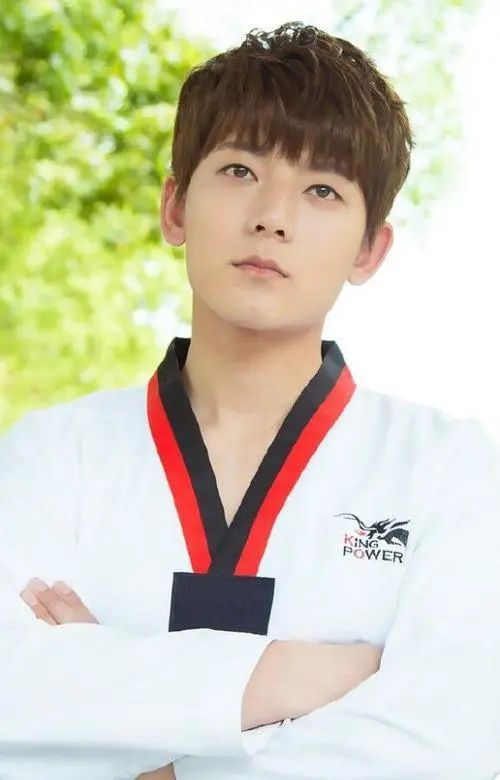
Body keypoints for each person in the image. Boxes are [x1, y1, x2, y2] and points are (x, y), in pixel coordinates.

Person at [2, 19, 500, 780]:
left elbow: (452, 742)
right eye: (239, 170)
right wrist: (297, 676)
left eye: (323, 189)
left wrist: (138, 742)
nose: (272, 216)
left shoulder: (450, 469)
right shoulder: (50, 454)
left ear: (370, 249)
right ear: (175, 208)